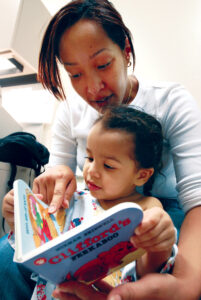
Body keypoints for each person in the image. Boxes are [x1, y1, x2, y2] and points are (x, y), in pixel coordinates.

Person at [1, 0, 201, 299]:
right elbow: (57, 183)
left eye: (103, 65)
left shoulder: (170, 101)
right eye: (75, 74)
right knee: (7, 257)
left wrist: (185, 285)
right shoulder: (70, 112)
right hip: (93, 210)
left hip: (166, 213)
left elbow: (197, 199)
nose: (93, 88)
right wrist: (31, 210)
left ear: (126, 51)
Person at [8, 105, 177, 300]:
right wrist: (19, 218)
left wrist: (160, 240)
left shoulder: (145, 207)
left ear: (142, 175)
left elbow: (150, 265)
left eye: (108, 165)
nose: (91, 171)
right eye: (89, 158)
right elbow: (39, 247)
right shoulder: (74, 199)